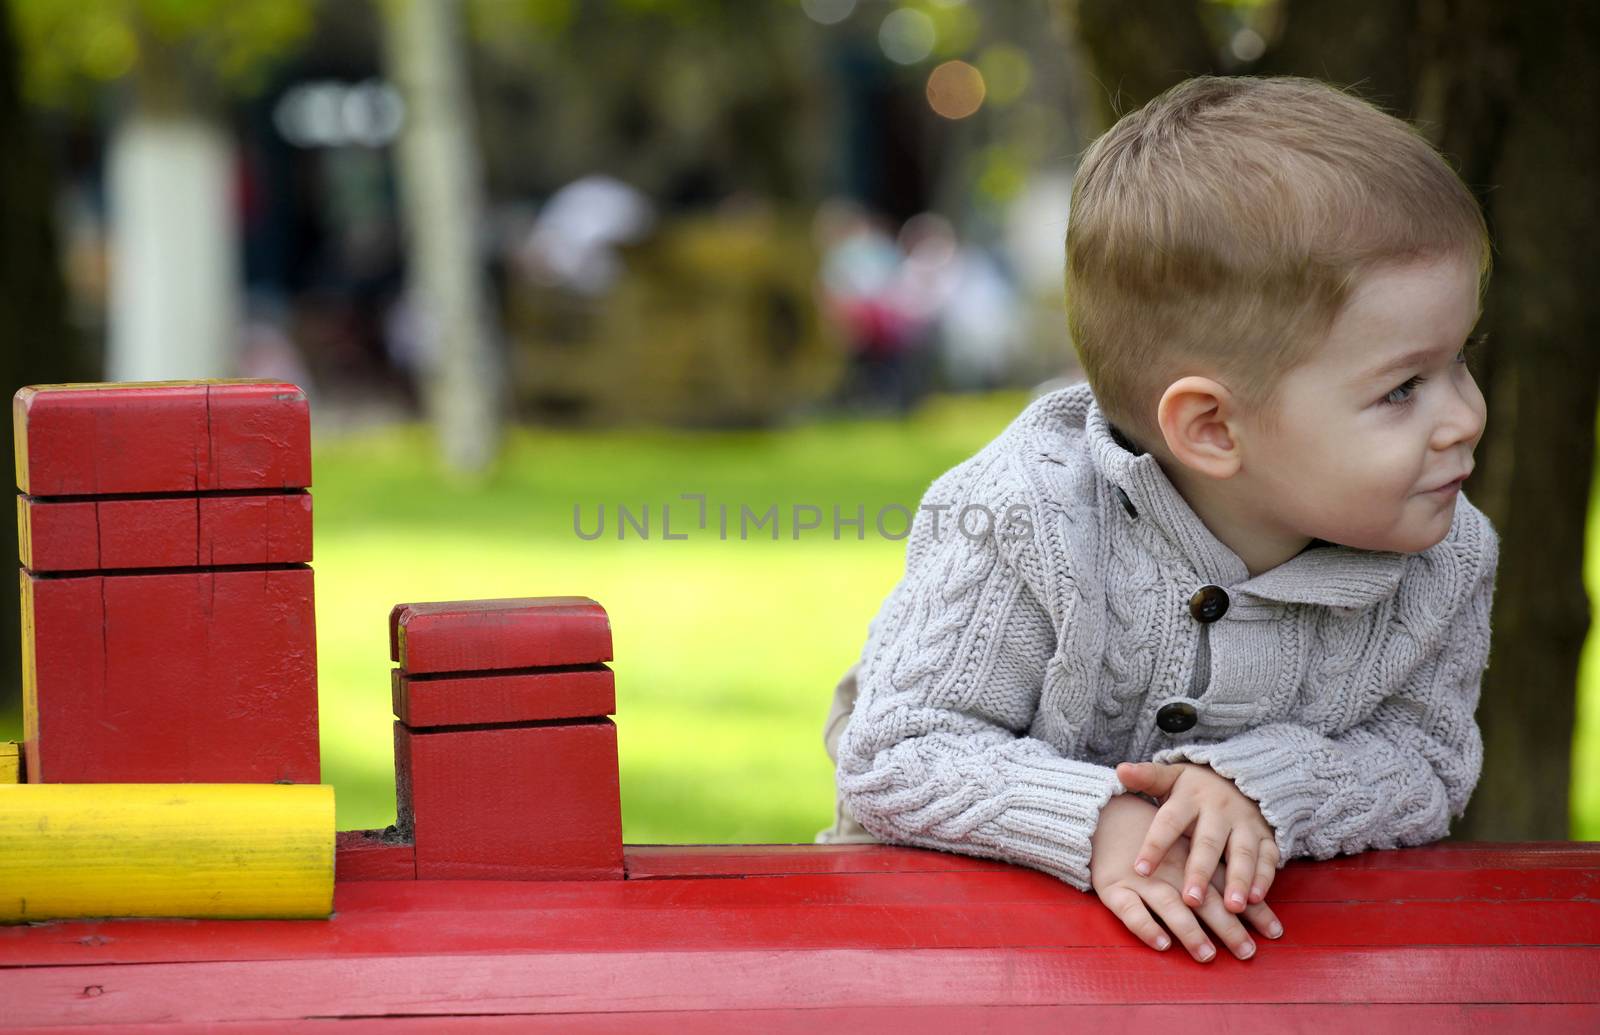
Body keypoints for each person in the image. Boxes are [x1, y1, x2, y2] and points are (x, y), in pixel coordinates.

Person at [816, 75, 1498, 966]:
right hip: (962, 957)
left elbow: (1427, 756)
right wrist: (1102, 821)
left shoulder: (1444, 553)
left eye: (1461, 360)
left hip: (1268, 971)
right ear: (1213, 428)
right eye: (1404, 387)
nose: (1466, 417)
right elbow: (894, 749)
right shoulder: (1024, 516)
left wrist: (1261, 788)